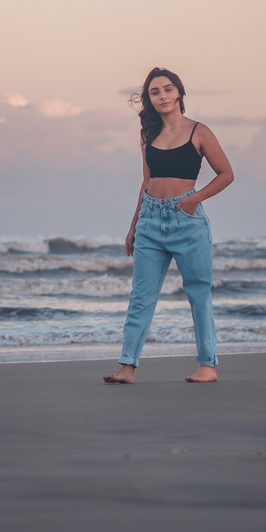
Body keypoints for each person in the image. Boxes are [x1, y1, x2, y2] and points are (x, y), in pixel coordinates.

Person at [103, 67, 234, 384]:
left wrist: (193, 200)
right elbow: (146, 181)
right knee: (141, 297)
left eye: (168, 89)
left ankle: (207, 366)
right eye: (155, 92)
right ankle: (127, 367)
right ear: (149, 99)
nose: (162, 96)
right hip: (150, 219)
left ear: (179, 93)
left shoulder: (199, 132)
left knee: (198, 294)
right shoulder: (148, 135)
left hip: (187, 221)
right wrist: (134, 225)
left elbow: (226, 174)